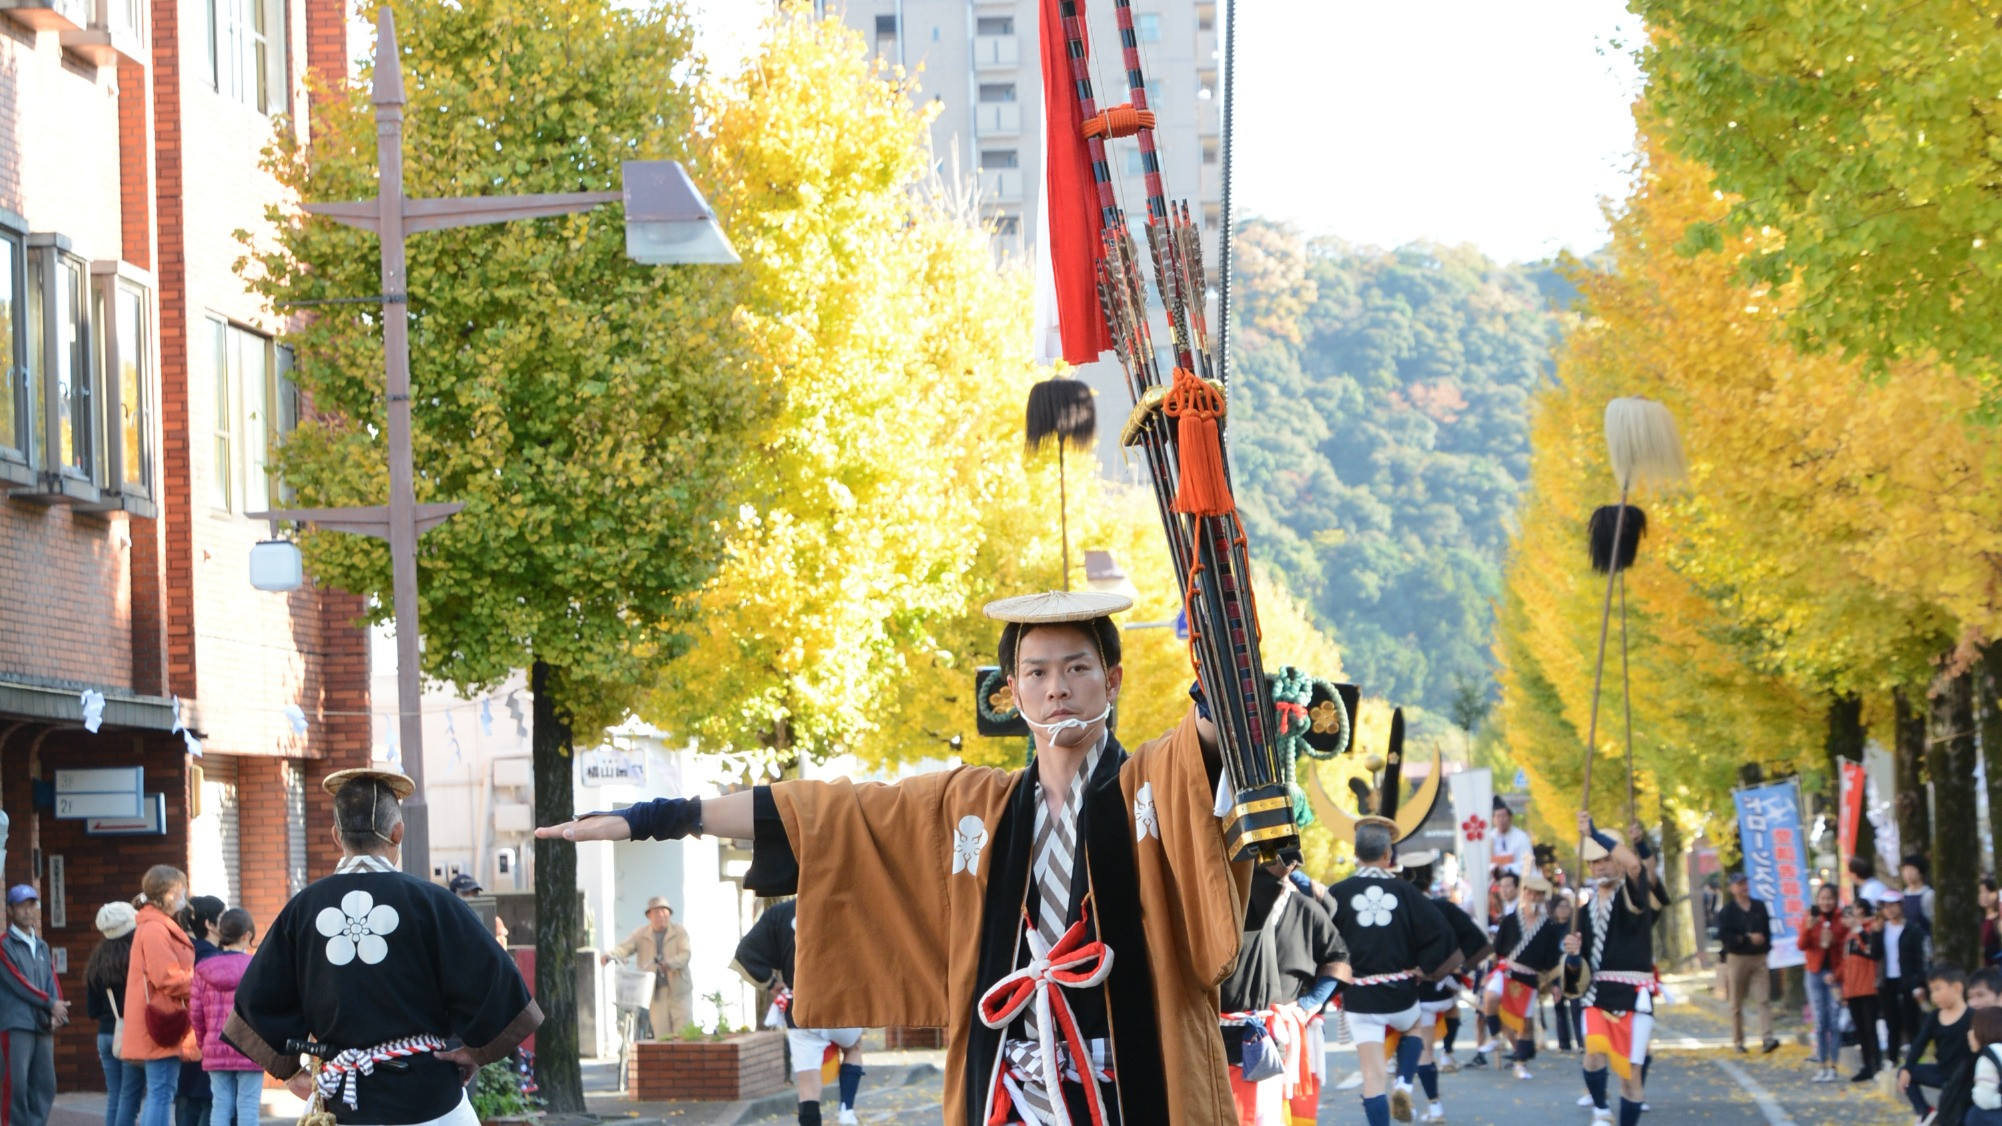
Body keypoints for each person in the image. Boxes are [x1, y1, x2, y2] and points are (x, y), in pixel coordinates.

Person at [536, 590, 1254, 1126]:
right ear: (1011, 693)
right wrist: (657, 818)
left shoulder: (1151, 784)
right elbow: (824, 815)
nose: (1057, 687)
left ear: (1115, 679)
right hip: (1007, 1078)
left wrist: (1224, 637)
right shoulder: (972, 804)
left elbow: (1213, 732)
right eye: (1035, 672)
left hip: (1134, 1074)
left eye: (1077, 667)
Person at [223, 768, 542, 1126]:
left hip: (340, 1102)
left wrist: (289, 1071)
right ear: (398, 832)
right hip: (429, 1099)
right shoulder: (434, 903)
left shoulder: (303, 909)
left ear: (335, 836)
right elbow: (497, 985)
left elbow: (259, 999)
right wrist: (475, 1051)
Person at [1325, 820, 1456, 1126]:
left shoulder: (1337, 893)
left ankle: (1389, 1095)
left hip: (1359, 996)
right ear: (1388, 854)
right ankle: (1404, 1084)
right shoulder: (1405, 892)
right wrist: (1424, 968)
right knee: (1412, 1027)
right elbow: (1441, 933)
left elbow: (1321, 941)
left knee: (1372, 1079)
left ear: (1356, 854)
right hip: (1400, 994)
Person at [1216, 865, 1347, 1126]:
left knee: (1282, 1111)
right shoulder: (1224, 905)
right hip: (1227, 1027)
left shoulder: (1306, 908)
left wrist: (1311, 1002)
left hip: (1283, 1024)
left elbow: (1338, 957)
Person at [732, 899, 866, 1126]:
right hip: (841, 1002)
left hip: (800, 1006)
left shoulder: (780, 913)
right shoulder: (846, 902)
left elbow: (745, 953)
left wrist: (771, 982)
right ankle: (846, 1111)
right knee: (853, 1047)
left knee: (807, 1086)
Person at [1563, 814, 1658, 1126]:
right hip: (1596, 993)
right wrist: (1573, 957)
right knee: (1592, 1055)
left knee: (1630, 1078)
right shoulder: (1582, 912)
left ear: (1616, 860)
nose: (1600, 867)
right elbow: (1579, 969)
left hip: (1633, 992)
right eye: (1593, 862)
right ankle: (1601, 1109)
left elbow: (1636, 866)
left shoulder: (1633, 894)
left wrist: (1594, 833)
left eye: (1605, 859)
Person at [1396, 851, 1489, 1123]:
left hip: (1412, 993)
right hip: (1445, 989)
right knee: (1444, 1024)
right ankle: (1444, 1061)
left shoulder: (1400, 911)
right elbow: (1477, 940)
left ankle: (1419, 1094)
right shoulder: (1445, 907)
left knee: (1419, 1049)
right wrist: (1460, 968)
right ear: (1428, 880)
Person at [124, 867, 197, 1126]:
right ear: (168, 894)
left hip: (160, 1018)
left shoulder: (153, 924)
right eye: (180, 891)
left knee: (161, 1091)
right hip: (162, 1020)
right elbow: (165, 977)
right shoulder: (155, 928)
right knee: (162, 1092)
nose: (184, 896)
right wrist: (198, 981)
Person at [1486, 871, 1562, 1080]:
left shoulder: (1549, 927)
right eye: (1531, 893)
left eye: (1539, 894)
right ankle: (1494, 1036)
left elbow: (1554, 960)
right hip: (1506, 969)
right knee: (1490, 998)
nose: (1534, 897)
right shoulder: (1510, 920)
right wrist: (1489, 972)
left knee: (1525, 1023)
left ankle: (1521, 1062)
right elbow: (1497, 950)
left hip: (1529, 976)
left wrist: (1555, 984)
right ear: (1524, 893)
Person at [0, 885, 66, 1126]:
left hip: (42, 1023)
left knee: (46, 1083)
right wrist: (50, 1004)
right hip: (16, 1022)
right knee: (16, 1083)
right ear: (10, 910)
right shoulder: (4, 945)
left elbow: (51, 979)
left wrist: (58, 1012)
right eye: (21, 906)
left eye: (31, 906)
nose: (27, 912)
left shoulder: (42, 945)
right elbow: (18, 982)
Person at [190, 909, 261, 1126]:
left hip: (215, 1045)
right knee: (248, 1105)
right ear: (247, 935)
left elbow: (195, 1013)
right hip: (250, 1047)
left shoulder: (202, 969)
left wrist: (204, 1044)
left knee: (220, 1106)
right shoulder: (257, 968)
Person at [86, 903, 145, 1126]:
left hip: (105, 1035)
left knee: (115, 1096)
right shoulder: (136, 959)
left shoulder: (96, 961)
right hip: (130, 1035)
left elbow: (92, 1010)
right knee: (130, 1098)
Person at [604, 898, 692, 1040]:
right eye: (656, 912)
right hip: (655, 993)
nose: (660, 915)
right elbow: (625, 947)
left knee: (683, 1034)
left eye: (664, 911)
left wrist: (669, 964)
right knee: (663, 1036)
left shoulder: (679, 931)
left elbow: (685, 954)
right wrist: (609, 955)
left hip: (679, 991)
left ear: (669, 914)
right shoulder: (641, 934)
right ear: (649, 916)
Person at [1900, 963, 1974, 1126]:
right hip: (1941, 1072)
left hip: (1963, 1078)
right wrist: (1907, 1067)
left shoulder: (1971, 1016)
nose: (1933, 995)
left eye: (1938, 989)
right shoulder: (1934, 1016)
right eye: (1931, 990)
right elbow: (1920, 1043)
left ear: (1956, 987)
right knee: (1905, 1073)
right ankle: (1925, 1111)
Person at [176, 896, 226, 1126]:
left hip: (186, 1040)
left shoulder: (186, 951)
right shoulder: (213, 958)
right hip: (209, 1041)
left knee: (187, 1101)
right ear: (209, 924)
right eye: (223, 917)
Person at [1717, 872, 1778, 1054]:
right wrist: (1745, 938)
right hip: (1737, 958)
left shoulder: (1759, 907)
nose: (1743, 887)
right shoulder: (1727, 911)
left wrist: (1764, 946)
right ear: (1732, 888)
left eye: (1745, 883)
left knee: (1763, 998)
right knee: (1736, 1001)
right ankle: (1738, 1040)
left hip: (1759, 958)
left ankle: (1767, 1037)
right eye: (1739, 884)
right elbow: (1724, 936)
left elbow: (1768, 931)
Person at [1799, 883, 1847, 1081]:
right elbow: (1801, 945)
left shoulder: (1842, 919)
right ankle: (1821, 1064)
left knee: (1834, 1020)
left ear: (1835, 900)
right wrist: (1808, 929)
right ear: (1817, 900)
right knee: (1820, 1020)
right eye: (1822, 898)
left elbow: (1845, 949)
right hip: (1814, 973)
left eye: (1830, 898)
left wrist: (1834, 940)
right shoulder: (1810, 917)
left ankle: (1834, 1066)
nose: (1826, 902)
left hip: (1834, 974)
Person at [1878, 887, 1931, 1066]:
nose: (1890, 910)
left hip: (1908, 979)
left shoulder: (1913, 929)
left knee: (1911, 1021)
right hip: (1887, 981)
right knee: (1891, 1022)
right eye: (1886, 907)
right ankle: (1892, 1059)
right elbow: (1875, 954)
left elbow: (1919, 958)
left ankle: (1915, 1060)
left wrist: (1919, 982)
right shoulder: (1880, 930)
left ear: (1901, 906)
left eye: (1893, 905)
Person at [1841, 901, 1885, 1083]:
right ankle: (1867, 1065)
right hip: (1852, 988)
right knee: (1860, 1030)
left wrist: (1859, 929)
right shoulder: (1849, 935)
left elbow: (1871, 950)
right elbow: (1846, 962)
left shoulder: (1870, 929)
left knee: (1870, 1028)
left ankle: (1876, 1064)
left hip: (1868, 986)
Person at [1968, 1006, 2002, 1126]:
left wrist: (1975, 1093)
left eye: (1972, 1027)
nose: (1969, 1033)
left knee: (1974, 1114)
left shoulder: (1987, 1058)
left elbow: (1984, 1100)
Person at [1489, 799, 1532, 878]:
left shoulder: (1522, 837)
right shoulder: (1489, 837)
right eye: (1498, 816)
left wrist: (1506, 868)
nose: (1501, 820)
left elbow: (1527, 862)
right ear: (1493, 819)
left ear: (1510, 818)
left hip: (1517, 878)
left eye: (1504, 816)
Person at [1902, 856, 1936, 928]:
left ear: (1921, 873)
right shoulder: (1903, 894)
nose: (1907, 874)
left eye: (1911, 870)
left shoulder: (1929, 894)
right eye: (1905, 870)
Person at [1982, 879, 2001, 966]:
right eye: (1981, 892)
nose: (1984, 896)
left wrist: (1983, 951)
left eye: (1988, 892)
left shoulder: (1998, 919)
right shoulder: (1977, 919)